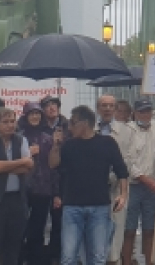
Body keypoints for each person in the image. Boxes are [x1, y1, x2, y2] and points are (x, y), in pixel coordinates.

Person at [50, 105, 129, 265]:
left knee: (98, 255)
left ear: (84, 123)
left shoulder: (107, 142)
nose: (69, 127)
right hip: (72, 205)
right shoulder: (68, 145)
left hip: (99, 205)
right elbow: (53, 165)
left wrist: (123, 194)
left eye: (72, 123)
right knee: (68, 255)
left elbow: (122, 171)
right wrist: (56, 145)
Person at [0, 108, 33, 265]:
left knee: (14, 245)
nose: (10, 125)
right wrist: (19, 163)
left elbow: (28, 166)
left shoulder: (21, 140)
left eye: (12, 121)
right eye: (5, 122)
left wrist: (0, 168)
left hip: (17, 199)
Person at [122, 98, 155, 265]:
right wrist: (145, 179)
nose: (146, 114)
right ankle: (126, 261)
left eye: (148, 110)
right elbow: (127, 161)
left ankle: (150, 261)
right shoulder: (127, 130)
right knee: (129, 230)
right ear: (135, 113)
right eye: (142, 111)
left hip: (154, 186)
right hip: (133, 186)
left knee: (151, 229)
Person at [18, 101, 59, 265]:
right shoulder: (18, 137)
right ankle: (20, 259)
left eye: (37, 114)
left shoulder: (48, 139)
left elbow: (54, 168)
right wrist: (28, 153)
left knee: (38, 228)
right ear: (26, 116)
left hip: (43, 190)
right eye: (31, 113)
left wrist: (56, 193)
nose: (35, 117)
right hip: (21, 189)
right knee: (20, 227)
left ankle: (36, 259)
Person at [95, 95, 134, 265]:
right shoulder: (90, 129)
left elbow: (130, 160)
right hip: (94, 188)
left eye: (111, 106)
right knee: (96, 232)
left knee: (117, 230)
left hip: (119, 189)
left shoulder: (127, 131)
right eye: (104, 105)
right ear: (98, 108)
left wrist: (115, 177)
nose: (108, 109)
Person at [40, 94, 68, 259]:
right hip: (42, 182)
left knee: (59, 223)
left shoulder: (67, 127)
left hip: (62, 180)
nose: (51, 108)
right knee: (40, 222)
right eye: (47, 105)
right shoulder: (39, 127)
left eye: (54, 104)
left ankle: (57, 256)